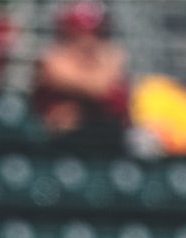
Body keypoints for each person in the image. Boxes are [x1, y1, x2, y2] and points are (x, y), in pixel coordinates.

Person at [31, 1, 129, 145]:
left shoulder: (111, 56)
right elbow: (98, 87)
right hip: (59, 143)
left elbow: (103, 84)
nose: (87, 41)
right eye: (77, 34)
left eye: (96, 34)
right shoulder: (50, 58)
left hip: (106, 140)